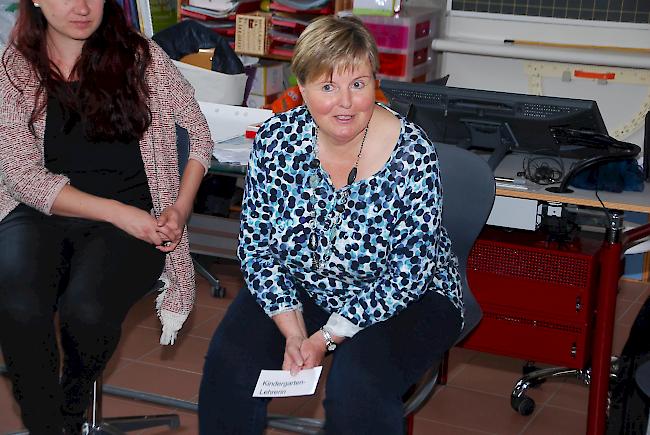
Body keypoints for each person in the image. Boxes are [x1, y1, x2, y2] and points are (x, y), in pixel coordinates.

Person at [199, 15, 464, 434]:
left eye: (358, 84)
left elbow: (408, 273)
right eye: (327, 87)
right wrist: (291, 327)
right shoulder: (277, 141)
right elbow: (257, 246)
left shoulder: (413, 153)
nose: (345, 102)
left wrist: (326, 336)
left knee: (357, 389)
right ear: (301, 89)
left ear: (375, 83)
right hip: (305, 281)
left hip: (406, 295)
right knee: (229, 368)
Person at [0, 0, 213, 433]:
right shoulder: (15, 67)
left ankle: (69, 410)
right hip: (41, 210)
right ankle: (46, 425)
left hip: (136, 217)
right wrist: (117, 214)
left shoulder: (140, 57)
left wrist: (180, 207)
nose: (82, 7)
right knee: (19, 305)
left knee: (88, 312)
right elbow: (22, 175)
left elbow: (198, 133)